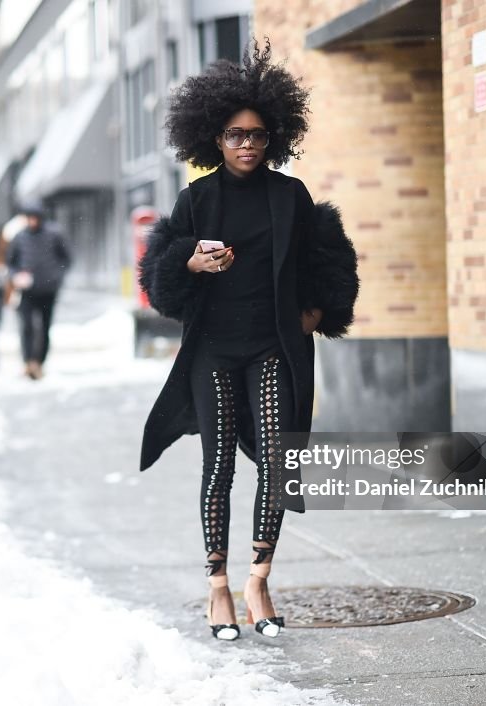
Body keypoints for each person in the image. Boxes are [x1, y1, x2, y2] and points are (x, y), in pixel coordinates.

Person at [137, 41, 359, 641]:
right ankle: (217, 587)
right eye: (236, 135)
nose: (247, 145)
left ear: (273, 138)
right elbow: (159, 276)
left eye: (258, 135)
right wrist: (191, 264)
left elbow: (326, 258)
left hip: (273, 347)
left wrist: (321, 311)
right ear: (215, 137)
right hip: (212, 348)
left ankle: (258, 577)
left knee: (278, 464)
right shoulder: (196, 199)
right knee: (217, 468)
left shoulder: (290, 196)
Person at [6, 200, 72, 380]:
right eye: (29, 218)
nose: (32, 221)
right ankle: (28, 362)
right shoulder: (19, 237)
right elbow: (10, 263)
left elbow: (66, 259)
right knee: (26, 327)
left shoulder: (54, 234)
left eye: (35, 218)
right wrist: (16, 276)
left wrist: (56, 277)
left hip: (48, 291)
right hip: (27, 291)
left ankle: (39, 363)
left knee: (44, 328)